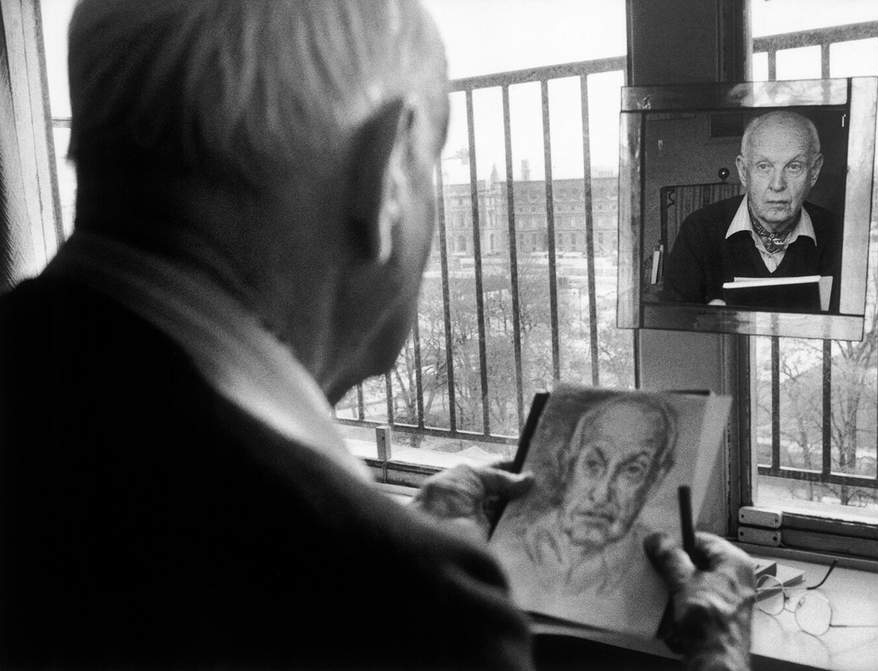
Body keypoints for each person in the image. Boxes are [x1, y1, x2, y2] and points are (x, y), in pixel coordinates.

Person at [0, 1, 754, 670]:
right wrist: (717, 656)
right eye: (433, 167)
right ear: (388, 173)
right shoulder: (403, 609)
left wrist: (404, 530)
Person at [661, 110, 842, 312]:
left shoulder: (840, 234)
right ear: (743, 171)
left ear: (814, 171)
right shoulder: (698, 230)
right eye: (764, 166)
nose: (777, 184)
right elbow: (674, 326)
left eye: (794, 167)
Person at [512, 396, 677, 599]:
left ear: (654, 482)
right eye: (592, 464)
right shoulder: (518, 539)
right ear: (567, 465)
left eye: (632, 470)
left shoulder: (658, 568)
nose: (601, 495)